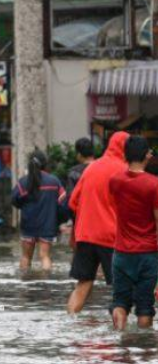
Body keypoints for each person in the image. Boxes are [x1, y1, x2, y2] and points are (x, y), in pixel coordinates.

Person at [67, 131, 129, 314]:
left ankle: (70, 325)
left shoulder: (91, 168)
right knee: (121, 288)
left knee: (83, 284)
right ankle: (125, 337)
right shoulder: (124, 171)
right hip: (111, 237)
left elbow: (72, 202)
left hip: (85, 235)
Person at [108, 135, 158, 330]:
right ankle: (143, 350)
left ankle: (120, 339)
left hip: (121, 253)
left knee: (119, 302)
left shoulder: (115, 181)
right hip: (148, 254)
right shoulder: (154, 184)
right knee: (145, 308)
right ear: (146, 155)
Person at [12, 150, 66, 271]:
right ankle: (45, 284)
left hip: (28, 225)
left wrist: (24, 207)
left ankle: (25, 285)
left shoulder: (23, 182)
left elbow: (14, 200)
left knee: (26, 257)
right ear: (45, 163)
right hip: (47, 225)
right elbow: (63, 204)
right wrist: (58, 221)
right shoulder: (54, 181)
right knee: (45, 256)